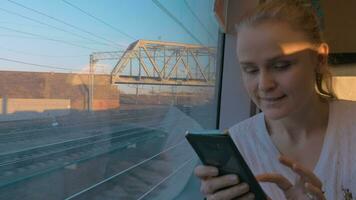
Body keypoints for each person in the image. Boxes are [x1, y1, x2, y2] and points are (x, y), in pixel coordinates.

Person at [194, 0, 356, 199]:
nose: (264, 84)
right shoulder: (238, 145)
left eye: (281, 66)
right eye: (250, 70)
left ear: (319, 59)